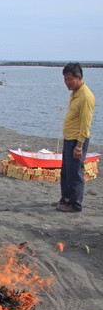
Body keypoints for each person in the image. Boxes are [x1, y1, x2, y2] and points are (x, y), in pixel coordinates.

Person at [56, 62, 96, 213]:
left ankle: (75, 204)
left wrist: (79, 146)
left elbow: (86, 125)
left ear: (79, 78)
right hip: (69, 138)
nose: (67, 83)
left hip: (77, 140)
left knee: (75, 173)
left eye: (70, 80)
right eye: (65, 79)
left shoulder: (86, 96)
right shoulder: (74, 94)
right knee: (66, 172)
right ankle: (65, 199)